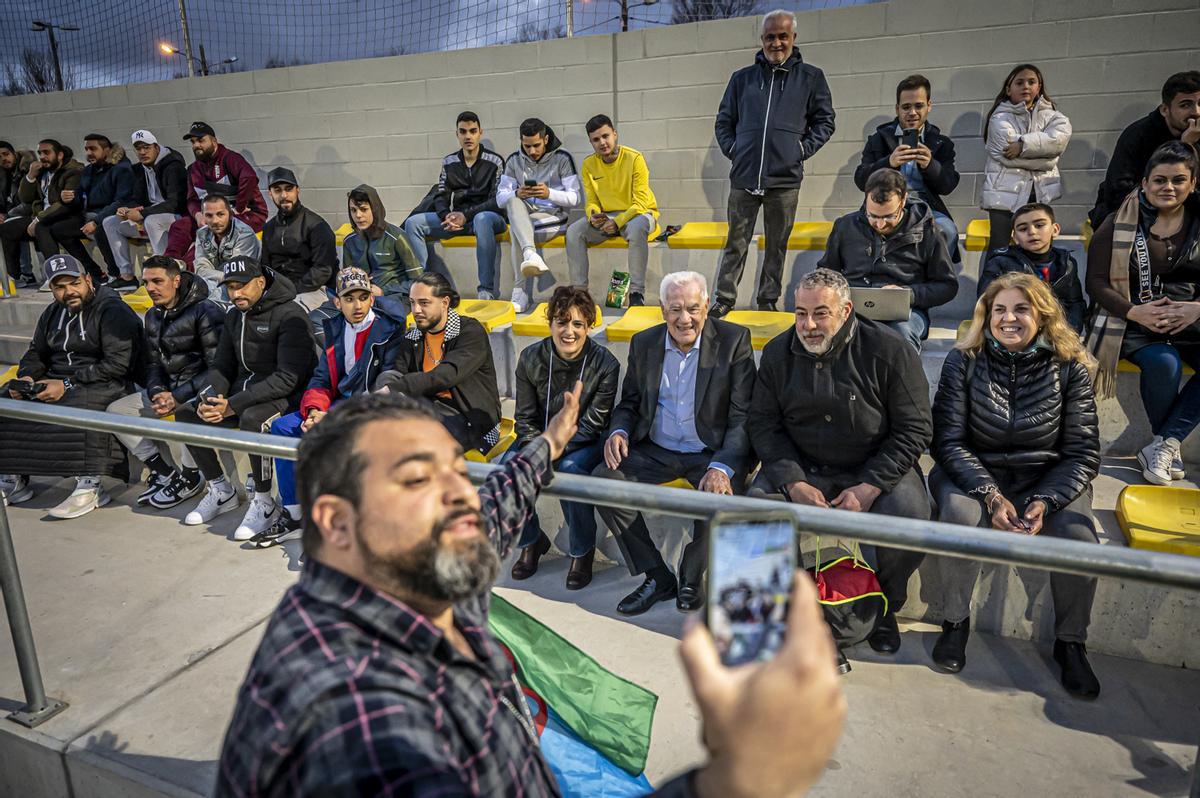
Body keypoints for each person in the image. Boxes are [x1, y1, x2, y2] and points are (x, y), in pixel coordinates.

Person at [213, 390, 846, 798]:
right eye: (417, 479)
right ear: (336, 522)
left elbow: (496, 502)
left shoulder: (409, 564)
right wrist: (743, 776)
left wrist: (550, 442)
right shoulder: (364, 721)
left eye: (458, 470)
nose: (460, 495)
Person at [747, 267, 931, 663]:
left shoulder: (891, 350)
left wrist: (869, 486)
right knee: (754, 512)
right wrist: (794, 482)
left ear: (846, 311)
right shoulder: (778, 353)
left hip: (874, 466)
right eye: (800, 313)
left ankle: (884, 603)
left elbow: (915, 430)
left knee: (913, 516)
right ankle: (794, 614)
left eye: (820, 314)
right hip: (802, 466)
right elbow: (763, 425)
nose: (808, 325)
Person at [931, 272, 1101, 698]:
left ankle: (1071, 642)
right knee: (957, 516)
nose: (1009, 318)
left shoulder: (1070, 365)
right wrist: (989, 494)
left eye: (1021, 309)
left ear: (1042, 316)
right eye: (999, 310)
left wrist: (1045, 499)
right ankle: (955, 621)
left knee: (1080, 538)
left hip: (1047, 477)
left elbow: (1083, 452)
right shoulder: (962, 360)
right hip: (975, 473)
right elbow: (948, 442)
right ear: (985, 317)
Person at [592, 271, 755, 615]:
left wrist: (721, 467)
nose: (685, 319)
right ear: (662, 310)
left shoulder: (734, 341)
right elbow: (630, 403)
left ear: (707, 306)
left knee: (723, 496)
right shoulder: (644, 342)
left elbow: (743, 418)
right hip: (656, 450)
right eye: (676, 309)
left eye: (693, 308)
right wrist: (618, 431)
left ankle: (692, 576)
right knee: (602, 483)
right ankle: (656, 575)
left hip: (708, 451)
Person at [262, 268, 408, 549]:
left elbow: (385, 387)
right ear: (337, 302)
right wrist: (315, 411)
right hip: (337, 406)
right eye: (349, 298)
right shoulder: (335, 328)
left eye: (363, 297)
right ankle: (294, 515)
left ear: (371, 299)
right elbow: (322, 378)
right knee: (283, 428)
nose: (357, 305)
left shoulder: (389, 330)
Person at [174, 256, 316, 539]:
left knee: (253, 419)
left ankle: (264, 501)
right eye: (230, 287)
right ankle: (220, 490)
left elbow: (288, 378)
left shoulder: (291, 314)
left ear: (261, 283)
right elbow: (223, 367)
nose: (235, 293)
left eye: (242, 286)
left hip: (287, 395)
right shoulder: (233, 316)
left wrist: (233, 406)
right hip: (244, 392)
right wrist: (212, 399)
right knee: (187, 413)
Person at [1086, 141, 1200, 485]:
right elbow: (1096, 282)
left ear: (1192, 183)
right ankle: (1167, 443)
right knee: (1164, 363)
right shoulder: (1117, 222)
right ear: (1145, 183)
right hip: (1132, 321)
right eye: (1160, 180)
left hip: (1191, 319)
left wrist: (1196, 309)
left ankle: (1165, 443)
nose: (1168, 187)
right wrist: (1135, 312)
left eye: (1178, 180)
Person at [710, 8, 835, 316]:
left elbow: (825, 122)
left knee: (776, 246)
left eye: (782, 36)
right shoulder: (742, 79)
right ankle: (724, 299)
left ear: (793, 38)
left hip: (785, 180)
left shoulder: (811, 78)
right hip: (744, 178)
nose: (776, 43)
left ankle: (768, 301)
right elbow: (723, 123)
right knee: (735, 244)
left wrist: (801, 150)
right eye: (769, 37)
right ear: (761, 39)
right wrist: (736, 150)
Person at [0, 255, 142, 517]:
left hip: (104, 382)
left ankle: (91, 484)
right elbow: (36, 353)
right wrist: (29, 377)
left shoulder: (112, 310)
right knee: (7, 398)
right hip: (58, 379)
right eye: (60, 287)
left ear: (88, 280)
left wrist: (67, 383)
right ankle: (13, 478)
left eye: (74, 283)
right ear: (52, 290)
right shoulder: (52, 312)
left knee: (78, 404)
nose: (69, 292)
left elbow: (119, 364)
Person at [507, 285, 620, 589]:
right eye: (561, 322)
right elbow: (524, 419)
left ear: (589, 326)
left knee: (571, 470)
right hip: (540, 439)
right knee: (509, 468)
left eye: (577, 324)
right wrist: (543, 448)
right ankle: (531, 541)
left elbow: (594, 423)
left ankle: (581, 551)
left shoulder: (606, 363)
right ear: (550, 324)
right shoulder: (530, 358)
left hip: (585, 441)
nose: (568, 331)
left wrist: (555, 449)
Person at [105, 255, 224, 509]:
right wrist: (158, 390)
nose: (150, 288)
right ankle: (163, 471)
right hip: (169, 389)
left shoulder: (206, 311)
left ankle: (191, 477)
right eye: (146, 282)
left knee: (184, 414)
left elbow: (217, 368)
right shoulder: (152, 314)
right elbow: (153, 364)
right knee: (115, 412)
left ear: (177, 280)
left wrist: (177, 396)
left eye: (157, 281)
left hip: (199, 391)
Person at [818, 167, 957, 351]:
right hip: (852, 307)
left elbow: (947, 286)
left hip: (905, 312)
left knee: (901, 334)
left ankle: (903, 379)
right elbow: (826, 274)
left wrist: (908, 294)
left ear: (903, 200)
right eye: (873, 216)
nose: (881, 224)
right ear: (866, 200)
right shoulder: (845, 226)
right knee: (820, 328)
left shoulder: (927, 231)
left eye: (890, 216)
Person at [375, 271, 502, 452]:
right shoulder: (413, 338)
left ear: (445, 303)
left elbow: (445, 376)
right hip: (425, 410)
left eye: (424, 303)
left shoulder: (470, 332)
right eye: (412, 303)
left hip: (469, 418)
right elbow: (397, 377)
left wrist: (393, 390)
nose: (416, 310)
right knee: (387, 377)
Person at [855, 74, 961, 265]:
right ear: (897, 109)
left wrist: (931, 166)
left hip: (925, 207)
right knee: (851, 230)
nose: (912, 112)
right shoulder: (878, 139)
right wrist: (889, 162)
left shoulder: (941, 143)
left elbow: (947, 186)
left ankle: (934, 284)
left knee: (948, 230)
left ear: (929, 106)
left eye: (918, 106)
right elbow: (861, 180)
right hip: (885, 205)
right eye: (906, 107)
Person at [403, 111, 507, 300]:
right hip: (458, 220)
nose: (468, 136)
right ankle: (422, 286)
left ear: (480, 133)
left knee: (482, 219)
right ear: (457, 134)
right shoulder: (449, 162)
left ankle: (486, 291)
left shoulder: (495, 161)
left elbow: (497, 202)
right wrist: (446, 216)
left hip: (489, 218)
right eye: (463, 131)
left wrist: (465, 215)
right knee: (413, 223)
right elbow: (441, 196)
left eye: (473, 131)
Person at [567, 115, 660, 307]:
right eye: (596, 139)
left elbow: (640, 202)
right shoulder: (588, 164)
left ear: (615, 134)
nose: (602, 142)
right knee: (574, 231)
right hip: (609, 216)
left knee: (635, 229)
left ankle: (636, 293)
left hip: (640, 214)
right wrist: (593, 215)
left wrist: (617, 223)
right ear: (591, 142)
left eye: (605, 136)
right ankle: (579, 293)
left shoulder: (634, 158)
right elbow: (591, 200)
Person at [980, 64, 1072, 255]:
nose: (1026, 86)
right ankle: (993, 285)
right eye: (1019, 82)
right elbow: (1006, 157)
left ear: (1039, 87)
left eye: (1032, 82)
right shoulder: (999, 118)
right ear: (1008, 88)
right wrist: (1047, 160)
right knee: (1000, 248)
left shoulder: (1055, 117)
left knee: (1038, 247)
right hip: (1003, 195)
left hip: (1039, 192)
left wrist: (1023, 145)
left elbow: (1058, 142)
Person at [1090, 71, 1200, 228]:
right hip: (1136, 216)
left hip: (1186, 216)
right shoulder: (1138, 134)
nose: (1196, 112)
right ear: (1164, 110)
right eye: (1185, 105)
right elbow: (1117, 191)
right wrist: (1186, 147)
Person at [496, 117, 581, 312]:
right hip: (525, 215)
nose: (532, 151)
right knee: (512, 201)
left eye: (536, 145)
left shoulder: (562, 158)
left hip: (554, 216)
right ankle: (530, 254)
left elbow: (575, 198)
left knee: (517, 232)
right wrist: (517, 193)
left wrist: (549, 193)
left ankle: (520, 291)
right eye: (527, 146)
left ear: (546, 139)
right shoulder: (514, 160)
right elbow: (501, 198)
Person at [165, 121, 267, 260]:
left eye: (201, 140)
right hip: (210, 217)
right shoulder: (194, 169)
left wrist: (239, 206)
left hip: (247, 215)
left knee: (211, 232)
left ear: (214, 141)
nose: (196, 145)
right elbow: (192, 199)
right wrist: (198, 215)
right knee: (180, 226)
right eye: (193, 142)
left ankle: (186, 267)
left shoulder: (230, 158)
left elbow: (249, 177)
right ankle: (168, 265)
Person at [978, 202, 1086, 332]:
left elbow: (1075, 303)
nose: (1032, 232)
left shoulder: (1067, 263)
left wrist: (1069, 333)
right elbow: (986, 304)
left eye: (1039, 225)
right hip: (1013, 331)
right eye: (1023, 229)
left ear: (1055, 229)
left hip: (1056, 333)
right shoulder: (1000, 262)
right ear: (1015, 237)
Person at [102, 129, 188, 282]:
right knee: (110, 222)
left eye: (146, 147)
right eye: (138, 148)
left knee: (152, 221)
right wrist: (129, 209)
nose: (142, 152)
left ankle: (163, 272)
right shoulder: (139, 169)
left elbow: (175, 203)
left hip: (175, 217)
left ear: (156, 147)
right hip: (150, 216)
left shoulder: (173, 166)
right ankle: (126, 276)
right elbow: (137, 198)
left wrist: (144, 214)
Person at [55, 134, 136, 287]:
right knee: (59, 229)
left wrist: (96, 221)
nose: (89, 153)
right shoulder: (90, 170)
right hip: (89, 215)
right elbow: (82, 194)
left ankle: (116, 274)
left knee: (102, 226)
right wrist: (71, 197)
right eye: (86, 149)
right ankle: (94, 272)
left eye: (93, 149)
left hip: (110, 214)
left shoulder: (122, 169)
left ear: (107, 150)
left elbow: (121, 201)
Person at [0, 139, 84, 288]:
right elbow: (25, 198)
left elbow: (64, 204)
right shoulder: (42, 173)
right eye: (40, 153)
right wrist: (31, 176)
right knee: (7, 228)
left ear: (59, 155)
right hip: (42, 216)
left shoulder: (72, 171)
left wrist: (39, 218)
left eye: (46, 152)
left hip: (64, 216)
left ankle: (54, 275)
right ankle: (15, 277)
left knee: (42, 227)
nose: (42, 156)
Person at [260, 166, 338, 320]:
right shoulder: (269, 228)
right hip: (280, 291)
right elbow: (265, 266)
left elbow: (323, 271)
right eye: (277, 190)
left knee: (286, 316)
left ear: (297, 190)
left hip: (314, 290)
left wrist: (291, 290)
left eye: (289, 189)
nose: (284, 195)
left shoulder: (317, 225)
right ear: (270, 194)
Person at [342, 184, 421, 302]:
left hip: (394, 298)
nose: (358, 215)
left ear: (375, 209)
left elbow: (418, 281)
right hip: (361, 299)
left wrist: (384, 291)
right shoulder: (349, 241)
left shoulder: (396, 237)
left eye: (363, 209)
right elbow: (346, 280)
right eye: (353, 210)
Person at [192, 194, 261, 299]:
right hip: (215, 284)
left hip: (245, 286)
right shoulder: (201, 234)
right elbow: (200, 269)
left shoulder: (244, 234)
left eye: (220, 214)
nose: (215, 221)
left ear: (230, 214)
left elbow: (236, 274)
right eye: (209, 215)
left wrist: (213, 277)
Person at [0, 142, 36, 284]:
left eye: (6, 154)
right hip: (13, 215)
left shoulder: (27, 171)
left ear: (14, 154)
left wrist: (7, 215)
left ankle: (18, 274)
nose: (3, 159)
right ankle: (21, 273)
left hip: (31, 214)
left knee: (9, 227)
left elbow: (29, 203)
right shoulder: (2, 174)